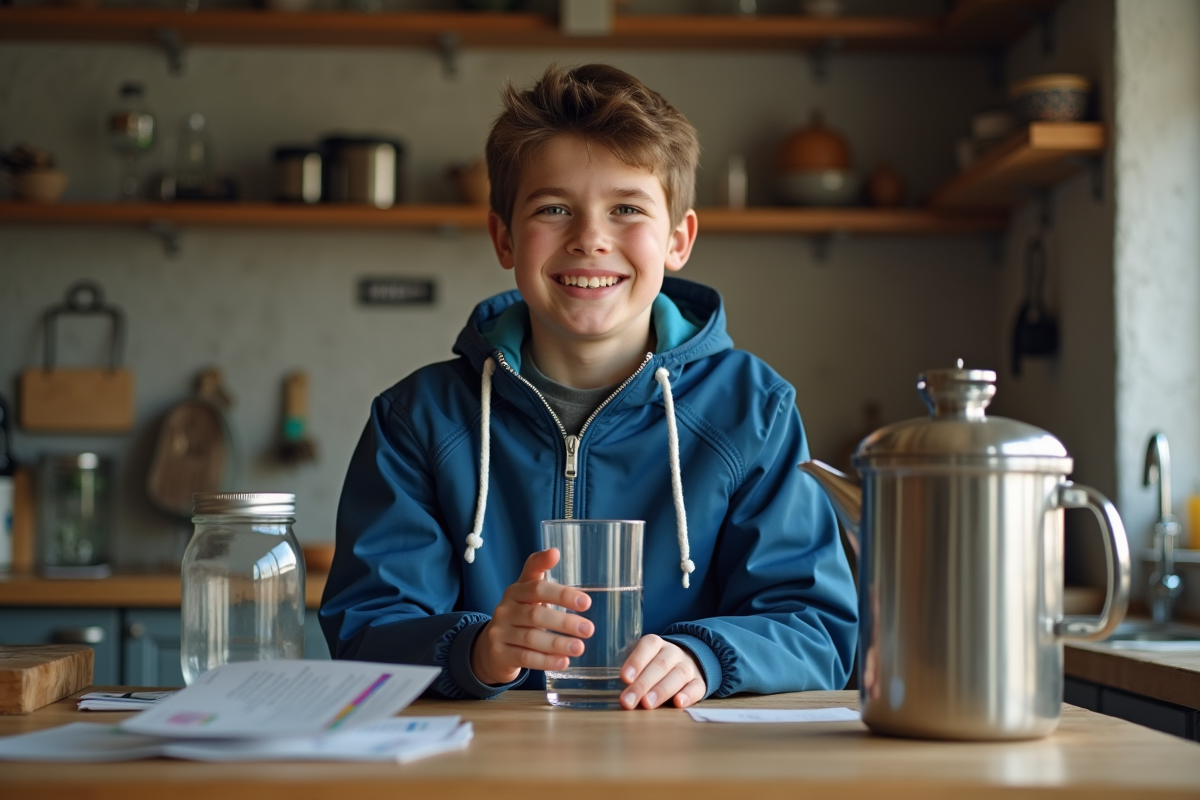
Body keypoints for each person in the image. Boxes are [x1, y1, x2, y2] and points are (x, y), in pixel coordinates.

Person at [320, 63, 857, 710]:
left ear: (678, 240)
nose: (590, 239)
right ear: (504, 237)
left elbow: (816, 626)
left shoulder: (754, 410)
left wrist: (704, 655)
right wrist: (480, 649)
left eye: (627, 209)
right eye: (553, 209)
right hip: (484, 769)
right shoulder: (418, 419)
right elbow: (365, 629)